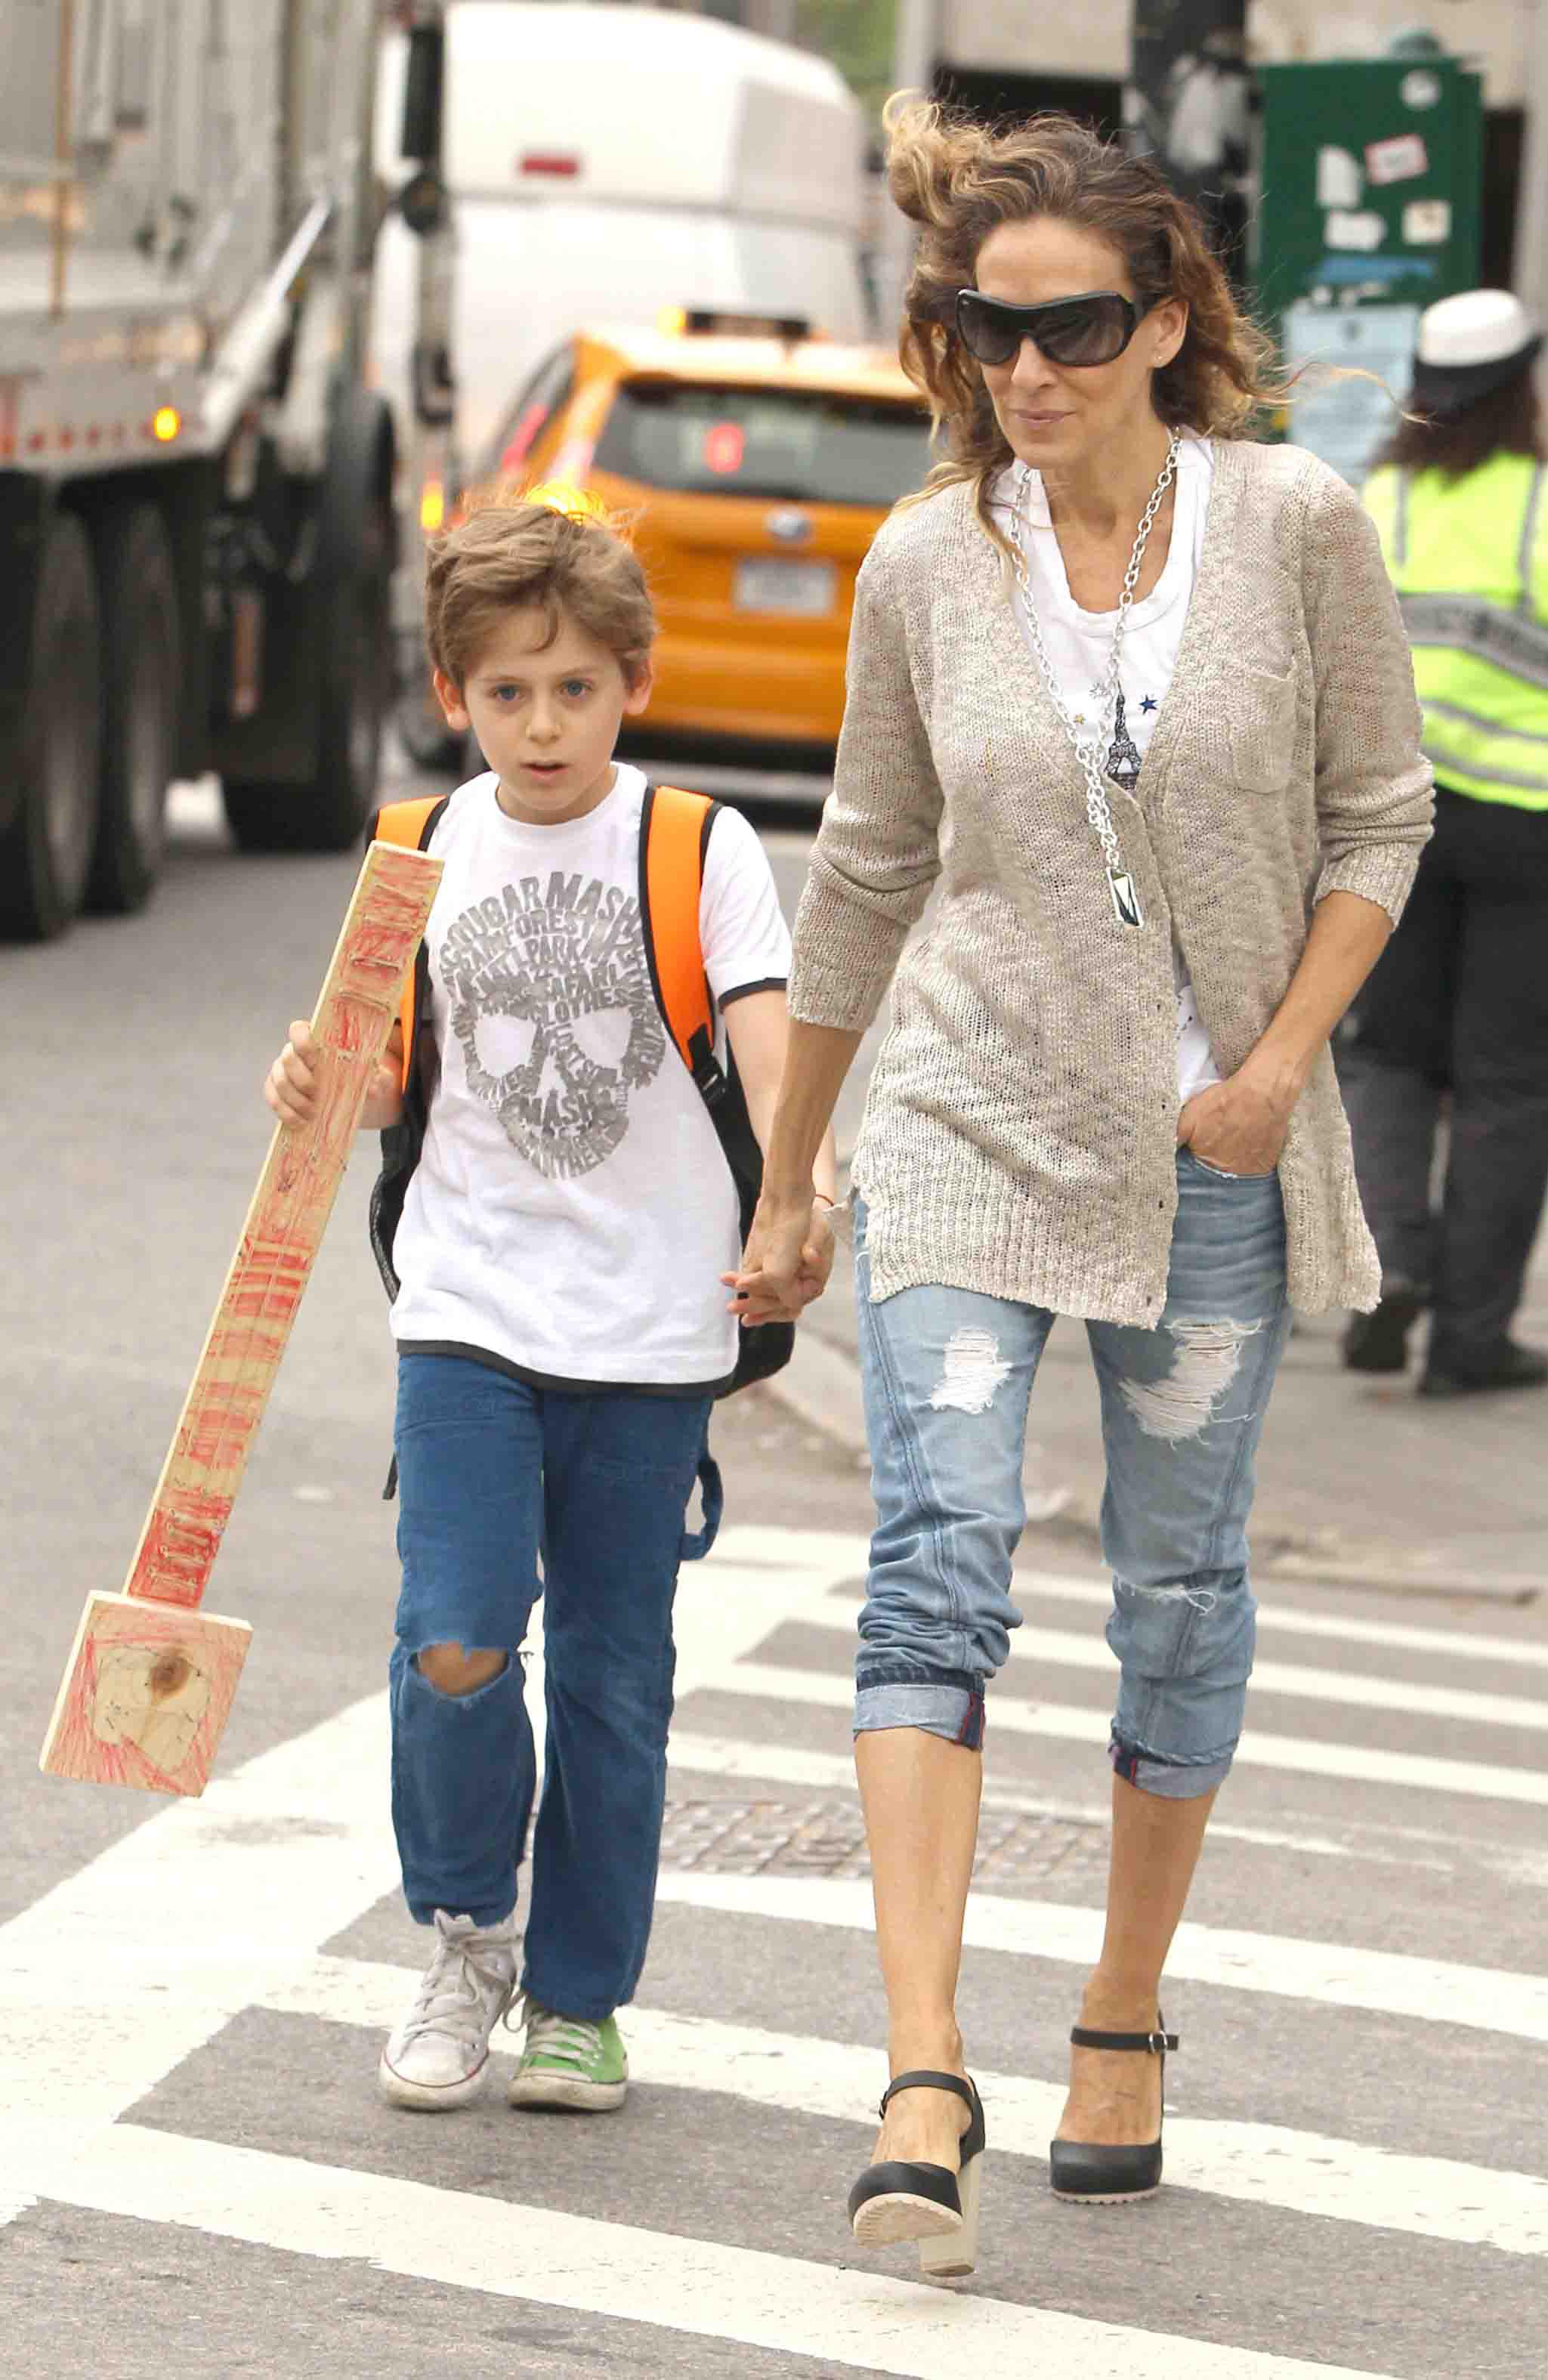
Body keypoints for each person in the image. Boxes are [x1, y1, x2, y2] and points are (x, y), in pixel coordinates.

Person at [729, 98, 1432, 2276]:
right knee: (931, 1549)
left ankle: (1118, 2008)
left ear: (1164, 323)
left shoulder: (1297, 521)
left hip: (1206, 1130)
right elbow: (860, 873)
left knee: (1178, 1584)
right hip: (964, 1106)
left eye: (1068, 327)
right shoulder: (927, 560)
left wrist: (1279, 1060)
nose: (1020, 372)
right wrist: (791, 1172)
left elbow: (1377, 820)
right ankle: (921, 2061)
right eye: (977, 331)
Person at [265, 496, 836, 2118]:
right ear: (456, 694)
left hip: (654, 1327)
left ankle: (582, 1998)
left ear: (630, 686)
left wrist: (795, 1196)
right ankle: (466, 1936)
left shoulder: (698, 847)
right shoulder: (417, 852)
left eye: (574, 689)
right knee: (453, 1640)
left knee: (610, 1676)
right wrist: (306, 1071)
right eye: (507, 692)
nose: (541, 724)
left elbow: (770, 1038)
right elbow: (366, 1079)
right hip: (467, 1307)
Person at [1339, 289, 1548, 1395]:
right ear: (1524, 385)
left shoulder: (1372, 501)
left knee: (1385, 1052)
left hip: (1393, 820)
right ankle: (1470, 1341)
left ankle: (1389, 1262)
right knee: (1509, 1082)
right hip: (1539, 820)